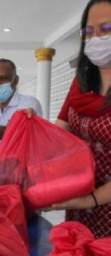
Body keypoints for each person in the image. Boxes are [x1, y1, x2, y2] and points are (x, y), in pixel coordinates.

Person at [49, 0, 111, 238]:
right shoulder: (81, 82)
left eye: (106, 30)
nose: (95, 38)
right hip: (79, 198)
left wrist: (90, 200)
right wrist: (32, 128)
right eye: (88, 32)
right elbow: (59, 133)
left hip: (98, 200)